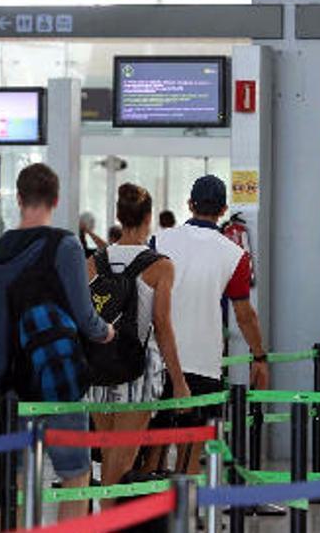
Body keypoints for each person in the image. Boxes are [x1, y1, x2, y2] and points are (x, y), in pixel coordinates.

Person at [0, 163, 114, 521]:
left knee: (18, 477)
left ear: (19, 199)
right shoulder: (64, 245)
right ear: (55, 200)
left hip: (10, 383)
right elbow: (85, 318)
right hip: (58, 379)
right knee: (75, 474)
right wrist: (106, 332)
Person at [152, 175, 268, 475]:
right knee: (192, 447)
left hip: (157, 360)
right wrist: (259, 356)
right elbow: (245, 315)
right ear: (223, 210)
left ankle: (148, 511)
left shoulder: (160, 240)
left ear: (190, 205)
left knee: (153, 444)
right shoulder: (235, 255)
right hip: (204, 364)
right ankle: (185, 513)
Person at [86, 183, 188, 508]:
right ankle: (109, 521)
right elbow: (163, 326)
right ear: (148, 218)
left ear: (118, 216)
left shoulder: (94, 262)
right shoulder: (159, 266)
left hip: (98, 367)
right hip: (138, 371)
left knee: (107, 453)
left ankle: (106, 517)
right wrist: (180, 381)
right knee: (123, 457)